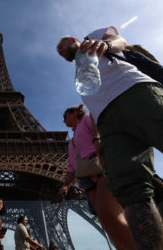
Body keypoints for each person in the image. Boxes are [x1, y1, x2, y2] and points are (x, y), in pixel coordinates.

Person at [56, 26, 163, 249]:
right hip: (108, 122)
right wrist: (100, 138)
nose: (61, 52)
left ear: (72, 38)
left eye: (60, 47)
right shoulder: (78, 69)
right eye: (59, 53)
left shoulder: (94, 38)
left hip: (134, 91)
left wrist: (106, 45)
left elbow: (120, 40)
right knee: (131, 192)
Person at [59, 104, 135, 250]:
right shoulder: (72, 141)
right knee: (106, 222)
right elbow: (71, 168)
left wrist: (97, 138)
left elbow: (99, 125)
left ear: (74, 113)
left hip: (100, 166)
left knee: (109, 214)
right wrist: (64, 186)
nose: (64, 121)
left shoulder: (87, 120)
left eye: (65, 117)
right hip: (85, 178)